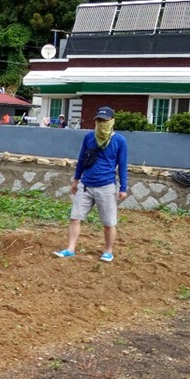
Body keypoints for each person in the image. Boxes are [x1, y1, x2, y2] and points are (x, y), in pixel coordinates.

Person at [53, 106, 128, 262]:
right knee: (75, 218)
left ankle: (108, 250)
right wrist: (76, 179)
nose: (101, 123)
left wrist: (123, 187)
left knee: (108, 222)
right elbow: (81, 160)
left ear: (112, 121)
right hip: (86, 185)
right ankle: (70, 248)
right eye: (99, 120)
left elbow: (122, 164)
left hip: (107, 186)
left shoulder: (120, 141)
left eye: (104, 120)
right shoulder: (89, 138)